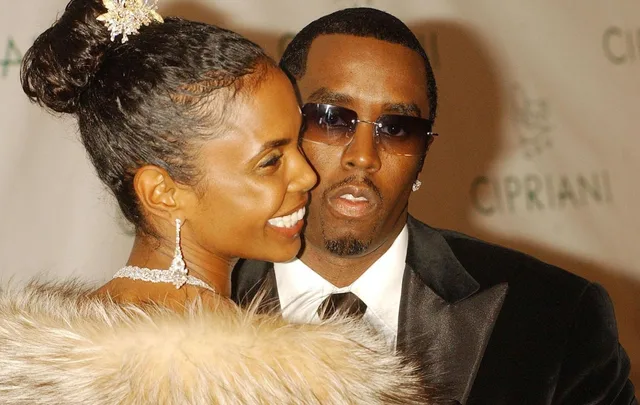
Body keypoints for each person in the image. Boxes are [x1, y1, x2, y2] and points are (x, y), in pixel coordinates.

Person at [0, 1, 437, 404]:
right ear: (162, 192)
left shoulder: (16, 367)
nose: (306, 174)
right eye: (270, 161)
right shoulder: (315, 385)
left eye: (296, 144)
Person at [232, 7, 637, 405]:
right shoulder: (193, 302)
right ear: (279, 126)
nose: (363, 156)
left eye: (397, 128)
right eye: (333, 119)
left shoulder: (554, 315)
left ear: (425, 150)